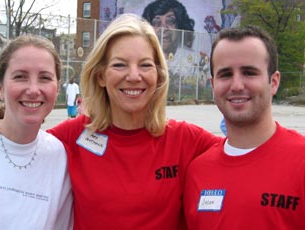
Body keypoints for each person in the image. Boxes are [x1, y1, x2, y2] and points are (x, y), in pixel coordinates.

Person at [48, 13, 220, 229]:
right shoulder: (71, 136)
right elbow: (14, 149)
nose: (134, 76)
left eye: (145, 65)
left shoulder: (186, 140)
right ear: (101, 76)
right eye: (120, 65)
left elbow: (248, 155)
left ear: (158, 74)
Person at [184, 26, 305, 229]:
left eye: (249, 73)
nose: (237, 85)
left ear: (273, 82)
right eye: (225, 74)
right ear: (213, 85)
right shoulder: (197, 172)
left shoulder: (301, 162)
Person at [0, 35, 73, 229]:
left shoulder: (58, 157)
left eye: (44, 77)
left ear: (57, 88)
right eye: (20, 76)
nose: (33, 89)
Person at [142, 0, 197, 78]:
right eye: (156, 22)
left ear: (179, 25)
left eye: (170, 21)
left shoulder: (193, 60)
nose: (164, 28)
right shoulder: (141, 57)